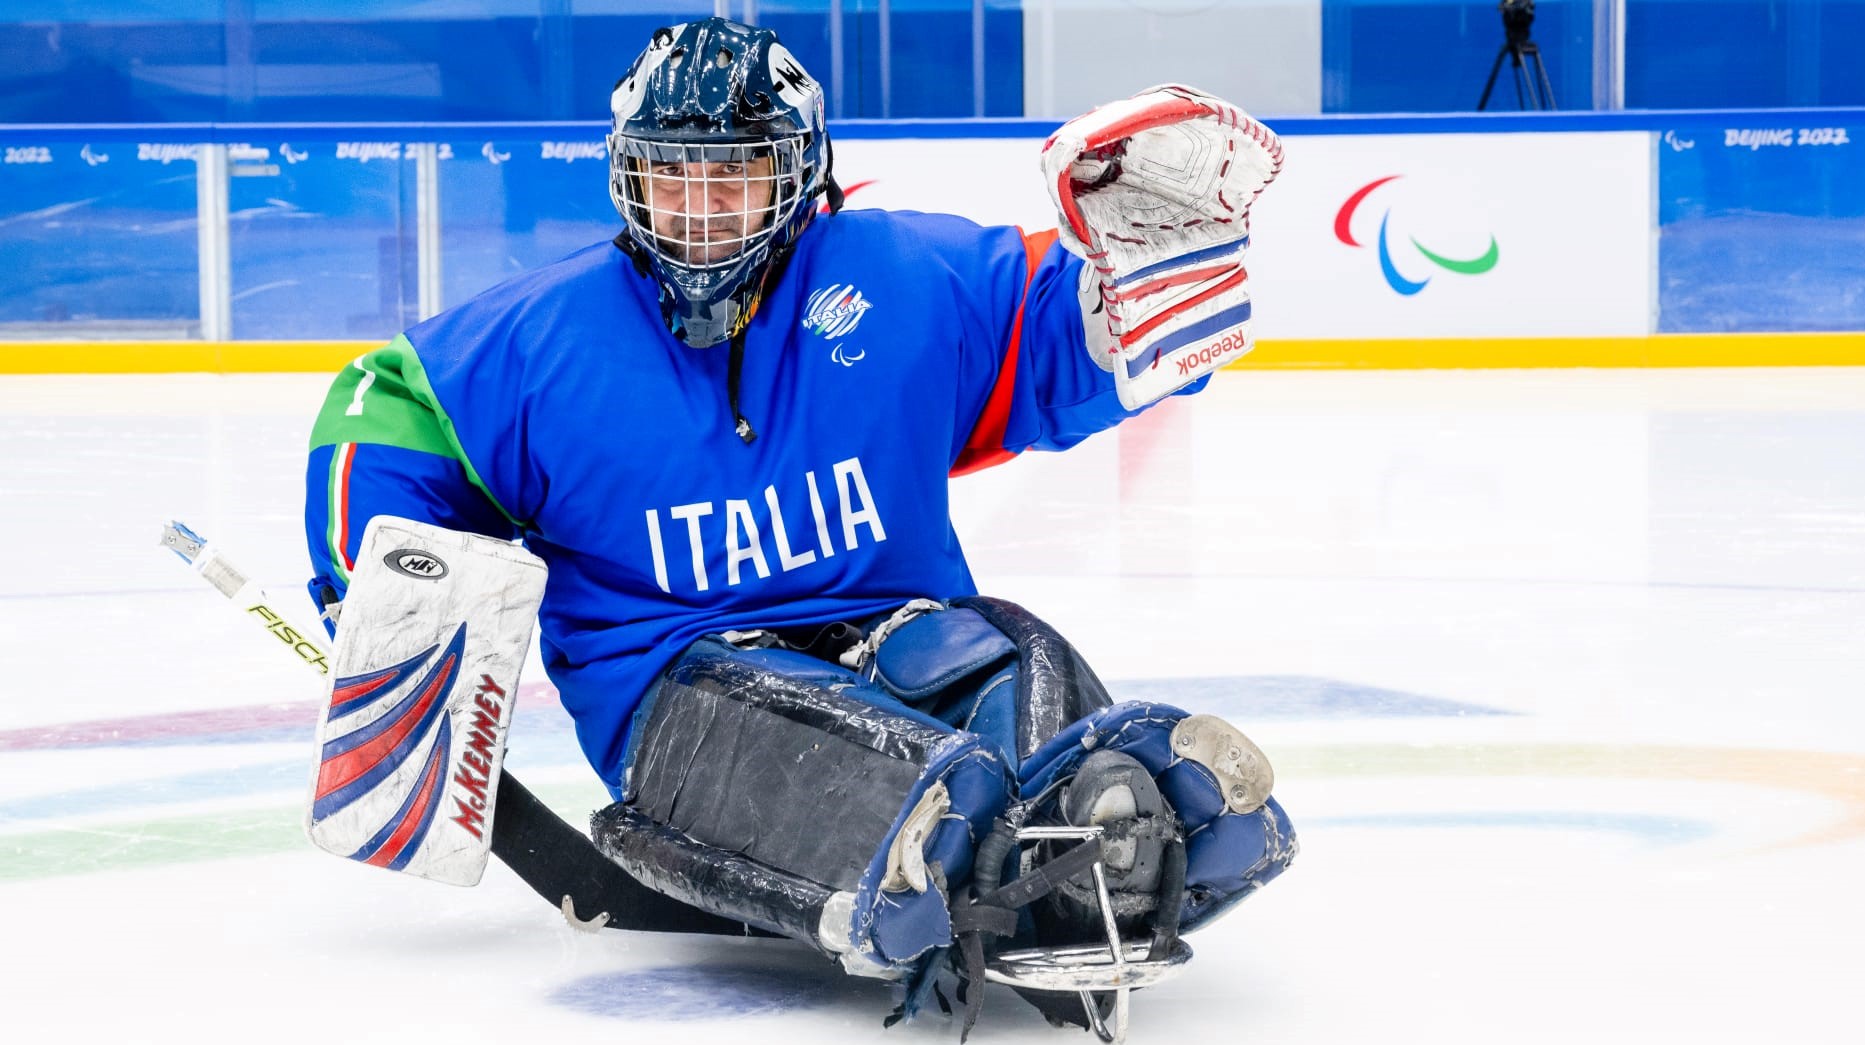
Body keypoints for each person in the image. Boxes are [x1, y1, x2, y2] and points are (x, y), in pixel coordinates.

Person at [302, 16, 1293, 1034]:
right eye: (669, 174)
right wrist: (378, 578)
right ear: (623, 175)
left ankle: (1093, 820)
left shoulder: (905, 277)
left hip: (902, 626)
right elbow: (387, 407)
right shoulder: (541, 338)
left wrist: (1131, 297)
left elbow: (1047, 330)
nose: (698, 210)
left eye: (737, 173)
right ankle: (997, 845)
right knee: (902, 784)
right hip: (678, 674)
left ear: (804, 173)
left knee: (1019, 667)